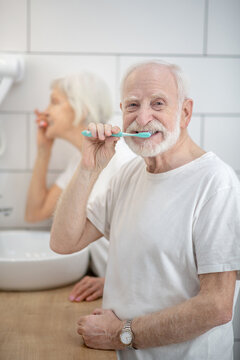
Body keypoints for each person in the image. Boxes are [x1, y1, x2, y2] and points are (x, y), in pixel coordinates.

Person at [50, 61, 240, 360]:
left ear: (186, 112)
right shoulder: (128, 175)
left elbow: (216, 306)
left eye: (158, 103)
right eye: (133, 105)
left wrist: (119, 332)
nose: (143, 117)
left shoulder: (216, 182)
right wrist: (88, 168)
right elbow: (64, 242)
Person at [25, 72, 135, 302]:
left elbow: (150, 241)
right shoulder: (80, 162)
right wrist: (44, 150)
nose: (45, 111)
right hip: (117, 289)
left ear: (81, 109)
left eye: (54, 102)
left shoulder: (123, 160)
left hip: (132, 291)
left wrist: (112, 282)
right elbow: (35, 213)